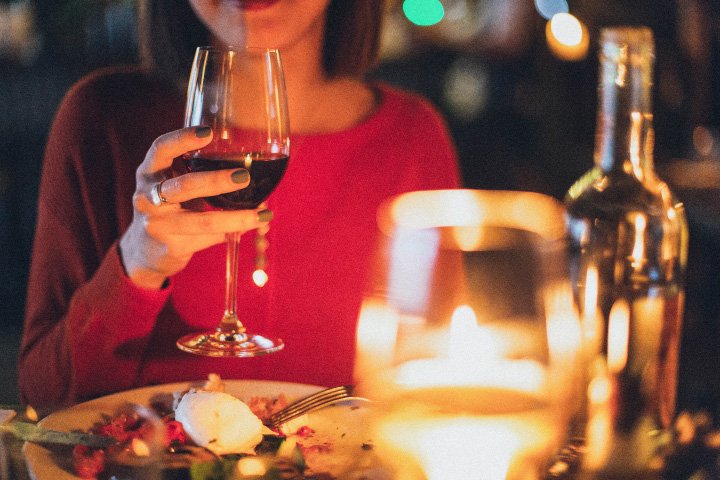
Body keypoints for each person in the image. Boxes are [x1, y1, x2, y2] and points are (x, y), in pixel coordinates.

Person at [18, 0, 461, 408]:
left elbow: (437, 393)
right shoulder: (100, 119)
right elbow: (46, 397)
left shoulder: (412, 139)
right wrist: (135, 267)